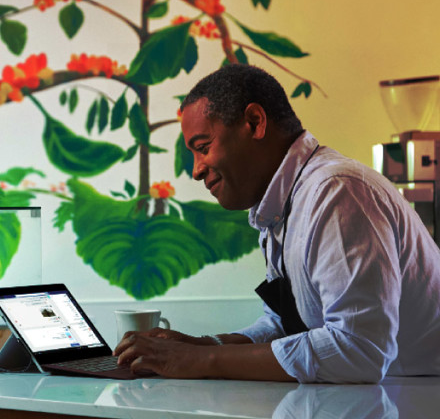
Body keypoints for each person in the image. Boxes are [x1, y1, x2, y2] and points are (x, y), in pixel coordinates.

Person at [114, 64, 440, 383]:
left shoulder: (336, 192)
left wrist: (200, 361)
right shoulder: (280, 209)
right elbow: (287, 324)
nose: (196, 170)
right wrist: (206, 345)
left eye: (203, 148)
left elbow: (358, 350)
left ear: (255, 122)